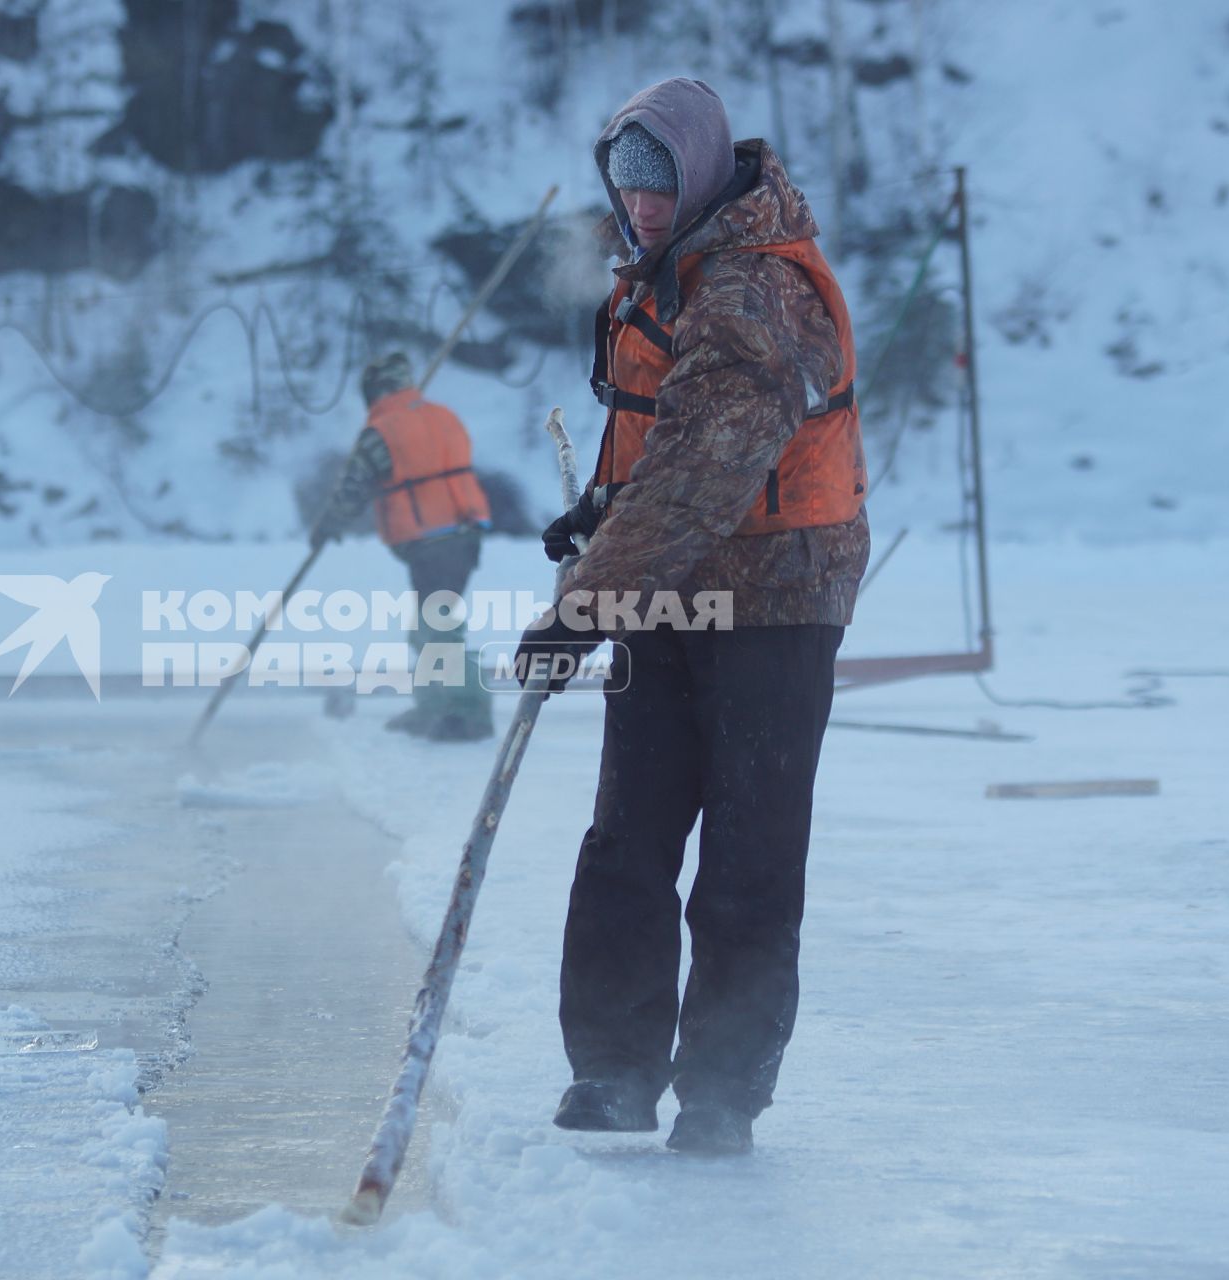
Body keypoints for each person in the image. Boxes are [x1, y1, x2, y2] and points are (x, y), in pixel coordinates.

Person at [515, 78, 870, 1155]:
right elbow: (657, 458)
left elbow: (699, 477)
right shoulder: (662, 277)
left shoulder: (752, 292)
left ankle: (720, 1088)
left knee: (748, 854)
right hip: (666, 596)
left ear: (703, 173)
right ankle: (612, 1071)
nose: (642, 204)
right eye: (625, 180)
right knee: (624, 839)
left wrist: (579, 610)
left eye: (660, 179)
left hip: (773, 601)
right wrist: (597, 514)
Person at [314, 352, 495, 742]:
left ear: (374, 392)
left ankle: (469, 714)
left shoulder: (382, 431)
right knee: (428, 627)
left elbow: (353, 487)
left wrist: (328, 525)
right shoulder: (442, 415)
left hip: (432, 540)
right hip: (465, 534)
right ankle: (433, 709)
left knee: (440, 629)